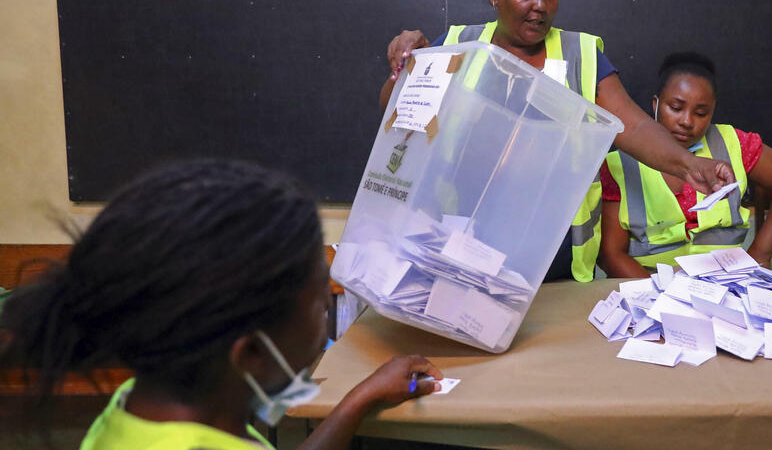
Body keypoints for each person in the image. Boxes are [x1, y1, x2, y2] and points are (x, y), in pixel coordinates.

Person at [0, 159, 442, 449]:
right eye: (318, 301)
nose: (324, 315)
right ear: (250, 353)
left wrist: (359, 399)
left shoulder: (136, 407)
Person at [382, 0, 733, 282]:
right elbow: (395, 111)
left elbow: (635, 126)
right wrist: (407, 65)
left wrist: (690, 164)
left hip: (553, 253)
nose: (540, 5)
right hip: (462, 237)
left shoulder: (580, 54)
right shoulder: (458, 44)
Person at [598, 52, 772, 277]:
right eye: (676, 108)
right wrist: (657, 295)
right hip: (650, 288)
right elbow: (611, 255)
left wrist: (760, 255)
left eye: (700, 113)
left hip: (727, 284)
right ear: (655, 104)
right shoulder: (619, 163)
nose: (687, 121)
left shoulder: (734, 143)